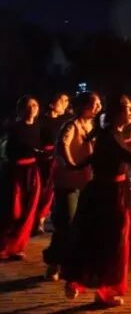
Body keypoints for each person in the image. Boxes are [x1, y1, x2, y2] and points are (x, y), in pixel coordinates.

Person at [62, 95, 131, 305]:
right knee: (111, 241)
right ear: (117, 112)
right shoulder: (109, 135)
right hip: (109, 193)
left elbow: (97, 157)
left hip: (110, 190)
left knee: (99, 238)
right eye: (128, 109)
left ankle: (87, 284)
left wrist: (78, 165)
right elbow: (124, 156)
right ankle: (100, 289)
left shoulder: (110, 133)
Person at [43, 92, 100, 281]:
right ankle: (54, 262)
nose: (98, 107)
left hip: (85, 180)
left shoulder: (91, 126)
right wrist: (71, 164)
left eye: (99, 104)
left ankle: (71, 263)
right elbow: (62, 145)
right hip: (68, 182)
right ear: (83, 107)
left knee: (79, 224)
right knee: (66, 222)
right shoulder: (71, 125)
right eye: (95, 104)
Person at [0, 96, 42, 260]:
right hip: (16, 172)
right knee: (13, 210)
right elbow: (7, 151)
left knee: (28, 210)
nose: (32, 109)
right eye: (28, 106)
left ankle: (18, 247)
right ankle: (4, 245)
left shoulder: (38, 127)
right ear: (21, 109)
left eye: (35, 105)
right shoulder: (13, 128)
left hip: (32, 172)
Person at [34, 93, 69, 234]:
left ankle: (42, 220)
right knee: (42, 190)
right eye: (62, 101)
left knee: (52, 191)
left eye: (66, 101)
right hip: (43, 160)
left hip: (57, 159)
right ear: (52, 104)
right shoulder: (41, 121)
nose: (65, 104)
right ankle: (38, 220)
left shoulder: (65, 120)